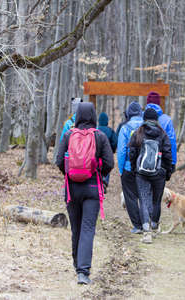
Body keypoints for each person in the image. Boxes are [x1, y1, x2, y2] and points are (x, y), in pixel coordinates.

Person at [55, 102, 114, 285]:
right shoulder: (100, 136)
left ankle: (76, 264)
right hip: (92, 189)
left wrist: (69, 173)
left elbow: (58, 160)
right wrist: (98, 173)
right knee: (88, 229)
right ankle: (83, 271)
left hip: (71, 190)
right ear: (93, 116)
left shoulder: (68, 135)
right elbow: (109, 163)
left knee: (76, 228)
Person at [129, 108, 172, 244]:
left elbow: (132, 152)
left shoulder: (138, 133)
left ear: (144, 119)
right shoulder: (162, 134)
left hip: (141, 173)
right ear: (156, 119)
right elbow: (168, 154)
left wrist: (134, 168)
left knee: (143, 199)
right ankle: (154, 224)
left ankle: (146, 231)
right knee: (156, 200)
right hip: (159, 172)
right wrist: (167, 171)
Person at [117, 102, 144, 234]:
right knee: (145, 195)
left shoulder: (125, 128)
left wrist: (121, 169)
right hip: (145, 167)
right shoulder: (147, 126)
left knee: (131, 197)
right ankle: (147, 223)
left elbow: (121, 151)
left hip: (129, 167)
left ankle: (137, 225)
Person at [145, 91, 177, 173]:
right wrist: (172, 162)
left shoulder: (141, 117)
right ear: (159, 103)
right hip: (161, 161)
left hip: (143, 160)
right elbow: (171, 141)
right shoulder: (167, 120)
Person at [97, 112, 118, 191]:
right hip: (107, 153)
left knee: (97, 167)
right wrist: (112, 150)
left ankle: (98, 182)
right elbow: (115, 142)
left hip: (97, 154)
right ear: (107, 121)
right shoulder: (110, 131)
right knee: (107, 166)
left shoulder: (96, 130)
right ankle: (104, 182)